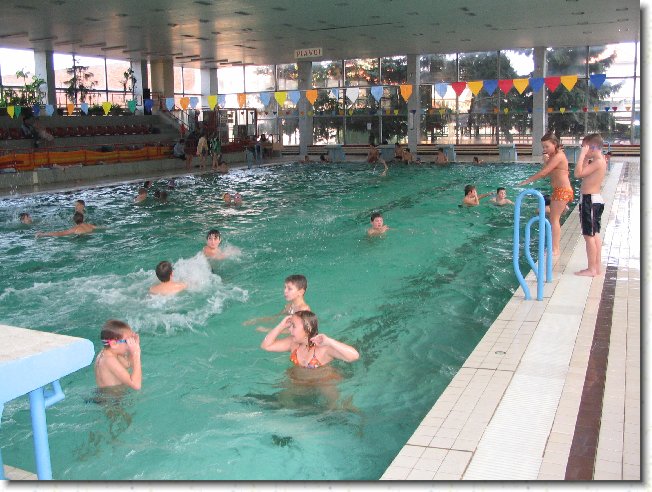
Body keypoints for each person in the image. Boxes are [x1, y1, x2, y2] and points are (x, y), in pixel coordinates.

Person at [518, 132, 573, 256]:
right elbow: (549, 172)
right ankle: (563, 209)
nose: (545, 149)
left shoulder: (559, 155)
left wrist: (526, 181)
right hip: (558, 190)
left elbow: (543, 173)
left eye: (547, 146)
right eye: (543, 147)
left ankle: (555, 249)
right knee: (553, 218)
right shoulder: (553, 156)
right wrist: (545, 161)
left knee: (554, 219)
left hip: (563, 190)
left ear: (555, 144)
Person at [260, 310, 359, 368]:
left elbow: (354, 356)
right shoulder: (292, 343)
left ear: (307, 329)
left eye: (293, 326)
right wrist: (281, 326)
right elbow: (266, 346)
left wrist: (329, 341)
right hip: (298, 384)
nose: (289, 329)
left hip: (323, 385)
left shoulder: (324, 348)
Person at [574, 133, 607, 277]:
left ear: (592, 147)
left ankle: (592, 269)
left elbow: (577, 174)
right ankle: (596, 267)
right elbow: (584, 173)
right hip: (593, 200)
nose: (583, 149)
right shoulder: (599, 160)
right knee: (594, 235)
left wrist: (582, 155)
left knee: (589, 236)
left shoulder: (598, 162)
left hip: (590, 201)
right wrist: (586, 158)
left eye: (584, 147)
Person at [243, 274, 311, 328]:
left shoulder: (303, 310)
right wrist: (256, 320)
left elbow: (301, 332)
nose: (285, 291)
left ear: (300, 292)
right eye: (285, 287)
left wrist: (267, 330)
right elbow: (274, 318)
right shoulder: (289, 305)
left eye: (289, 289)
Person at [94, 319, 142, 391]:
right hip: (111, 397)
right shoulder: (109, 360)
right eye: (127, 341)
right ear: (114, 344)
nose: (129, 345)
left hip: (108, 395)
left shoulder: (108, 353)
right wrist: (136, 354)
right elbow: (136, 385)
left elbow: (129, 364)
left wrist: (134, 348)